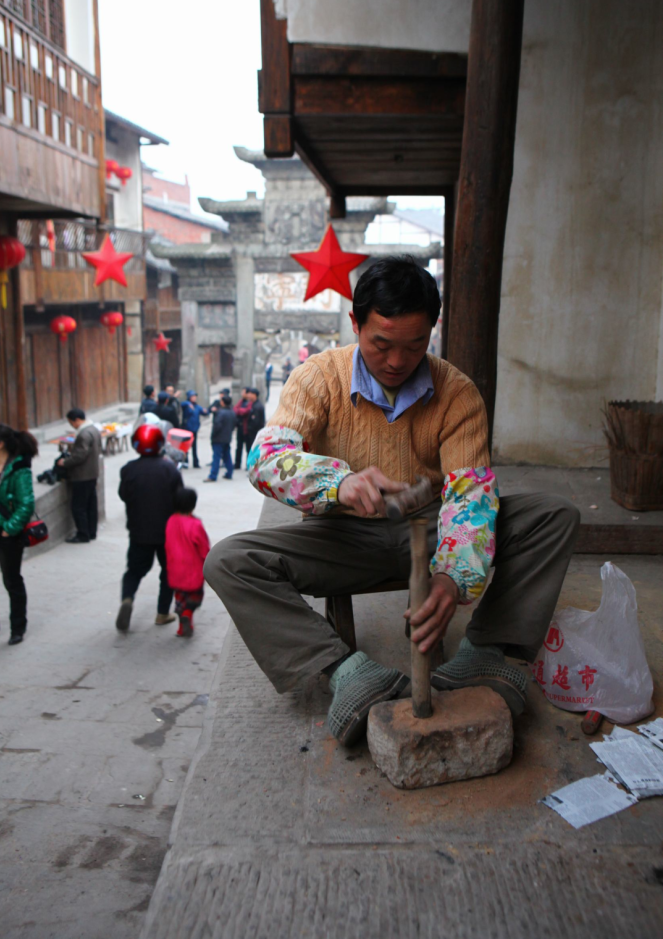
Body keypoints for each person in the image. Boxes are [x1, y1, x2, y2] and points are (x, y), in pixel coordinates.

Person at [204, 256, 581, 748]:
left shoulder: (457, 393)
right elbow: (265, 458)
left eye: (415, 345)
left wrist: (453, 576)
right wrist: (337, 482)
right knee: (228, 561)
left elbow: (470, 495)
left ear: (432, 332)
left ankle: (484, 654)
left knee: (552, 517)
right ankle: (346, 672)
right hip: (341, 538)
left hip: (431, 530)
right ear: (356, 323)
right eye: (382, 344)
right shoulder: (317, 378)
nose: (398, 361)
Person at [117, 421, 184, 631]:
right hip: (167, 533)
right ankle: (163, 613)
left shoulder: (128, 469)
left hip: (139, 531)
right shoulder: (170, 469)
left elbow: (124, 495)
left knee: (134, 571)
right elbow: (180, 500)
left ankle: (127, 598)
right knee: (168, 572)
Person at [0, 424, 38, 645]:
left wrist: (9, 529)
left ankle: (18, 627)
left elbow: (26, 503)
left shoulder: (19, 467)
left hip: (8, 534)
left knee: (11, 580)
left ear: (0, 444)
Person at [165, 487, 211, 638]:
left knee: (180, 598)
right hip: (193, 570)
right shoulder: (195, 524)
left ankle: (182, 627)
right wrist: (209, 564)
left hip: (175, 569)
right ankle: (188, 613)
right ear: (193, 504)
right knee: (194, 597)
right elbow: (204, 548)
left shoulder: (171, 521)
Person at [58, 409, 101, 544]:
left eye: (71, 422)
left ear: (76, 420)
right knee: (91, 505)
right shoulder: (94, 429)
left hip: (82, 475)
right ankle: (91, 532)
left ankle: (83, 534)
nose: (71, 425)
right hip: (92, 473)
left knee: (79, 507)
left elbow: (79, 456)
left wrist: (65, 462)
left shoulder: (84, 434)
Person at [205, 395, 236, 482]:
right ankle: (229, 472)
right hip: (227, 437)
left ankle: (213, 475)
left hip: (218, 438)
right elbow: (234, 425)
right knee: (227, 455)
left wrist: (213, 435)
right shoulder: (232, 413)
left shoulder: (220, 413)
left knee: (216, 457)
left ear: (223, 402)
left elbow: (217, 426)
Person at [180, 390, 209, 469]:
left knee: (194, 446)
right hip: (187, 429)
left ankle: (195, 463)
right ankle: (185, 462)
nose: (194, 398)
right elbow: (181, 404)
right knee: (186, 446)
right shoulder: (186, 405)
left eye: (195, 396)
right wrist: (188, 403)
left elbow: (205, 412)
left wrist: (207, 411)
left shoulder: (197, 406)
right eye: (192, 396)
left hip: (194, 429)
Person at [243, 387, 265, 463]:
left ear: (254, 395)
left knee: (253, 450)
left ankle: (252, 465)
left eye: (250, 394)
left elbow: (256, 422)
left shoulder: (257, 406)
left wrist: (249, 429)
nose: (248, 395)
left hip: (254, 433)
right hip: (251, 433)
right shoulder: (252, 404)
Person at [233, 388, 252, 470]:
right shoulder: (241, 401)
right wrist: (240, 410)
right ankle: (237, 463)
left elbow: (246, 411)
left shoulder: (250, 402)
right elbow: (235, 409)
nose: (242, 393)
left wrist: (239, 410)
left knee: (248, 447)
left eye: (243, 392)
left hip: (247, 428)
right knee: (238, 446)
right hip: (240, 427)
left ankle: (248, 465)